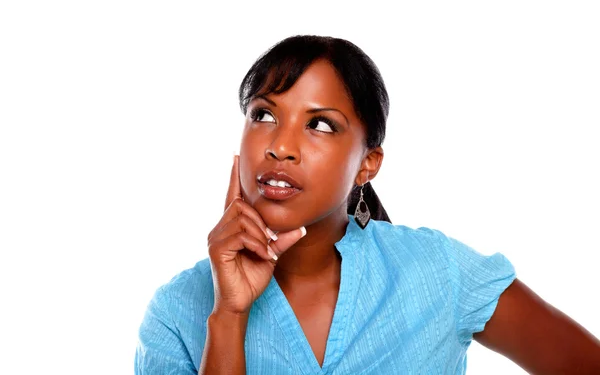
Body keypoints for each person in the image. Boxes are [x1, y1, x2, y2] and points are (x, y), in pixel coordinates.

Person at [134, 35, 600, 374]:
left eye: (320, 125)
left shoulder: (437, 272)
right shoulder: (178, 312)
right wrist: (230, 316)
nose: (280, 146)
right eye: (264, 114)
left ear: (368, 164)